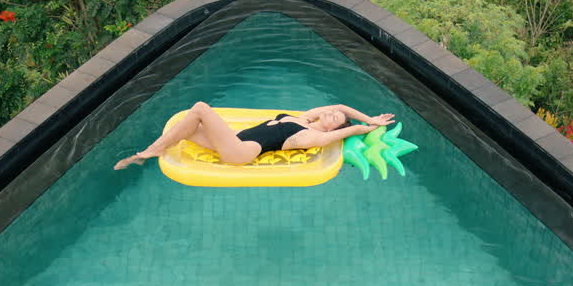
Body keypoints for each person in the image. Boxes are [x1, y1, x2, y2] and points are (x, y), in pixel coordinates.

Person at [114, 101, 396, 170]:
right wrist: (369, 115)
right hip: (233, 141)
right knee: (189, 126)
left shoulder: (310, 136)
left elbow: (346, 130)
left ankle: (149, 151)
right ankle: (148, 153)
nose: (334, 113)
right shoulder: (303, 117)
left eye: (336, 120)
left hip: (240, 151)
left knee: (200, 108)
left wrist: (363, 127)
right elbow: (341, 106)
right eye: (333, 113)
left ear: (335, 128)